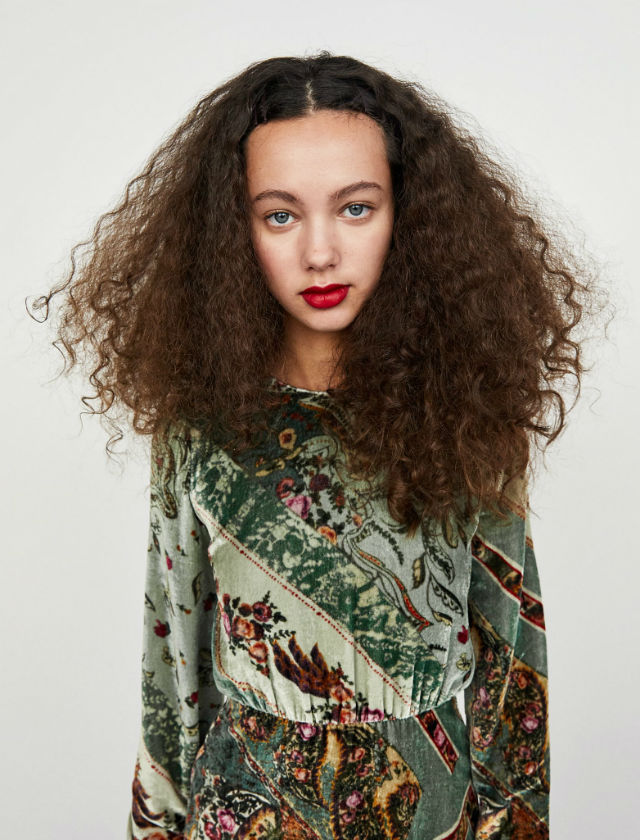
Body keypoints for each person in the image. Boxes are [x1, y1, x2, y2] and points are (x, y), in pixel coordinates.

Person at [28, 51, 609, 839]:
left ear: (410, 215)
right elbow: (173, 661)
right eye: (280, 215)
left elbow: (513, 663)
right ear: (233, 233)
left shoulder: (464, 415)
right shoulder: (201, 427)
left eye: (356, 207)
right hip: (246, 811)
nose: (320, 252)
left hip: (430, 814)